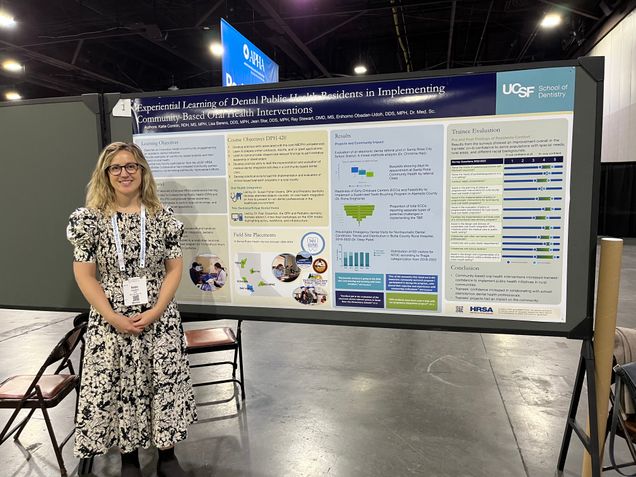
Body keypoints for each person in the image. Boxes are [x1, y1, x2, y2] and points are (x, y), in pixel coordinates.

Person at [66, 142, 196, 477]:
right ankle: (128, 457)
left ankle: (166, 454)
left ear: (142, 172)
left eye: (131, 166)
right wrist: (111, 316)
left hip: (159, 317)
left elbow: (174, 269)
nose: (124, 173)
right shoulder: (90, 220)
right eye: (116, 167)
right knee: (122, 386)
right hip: (111, 320)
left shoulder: (161, 217)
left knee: (162, 382)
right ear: (105, 174)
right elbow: (84, 274)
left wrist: (155, 311)